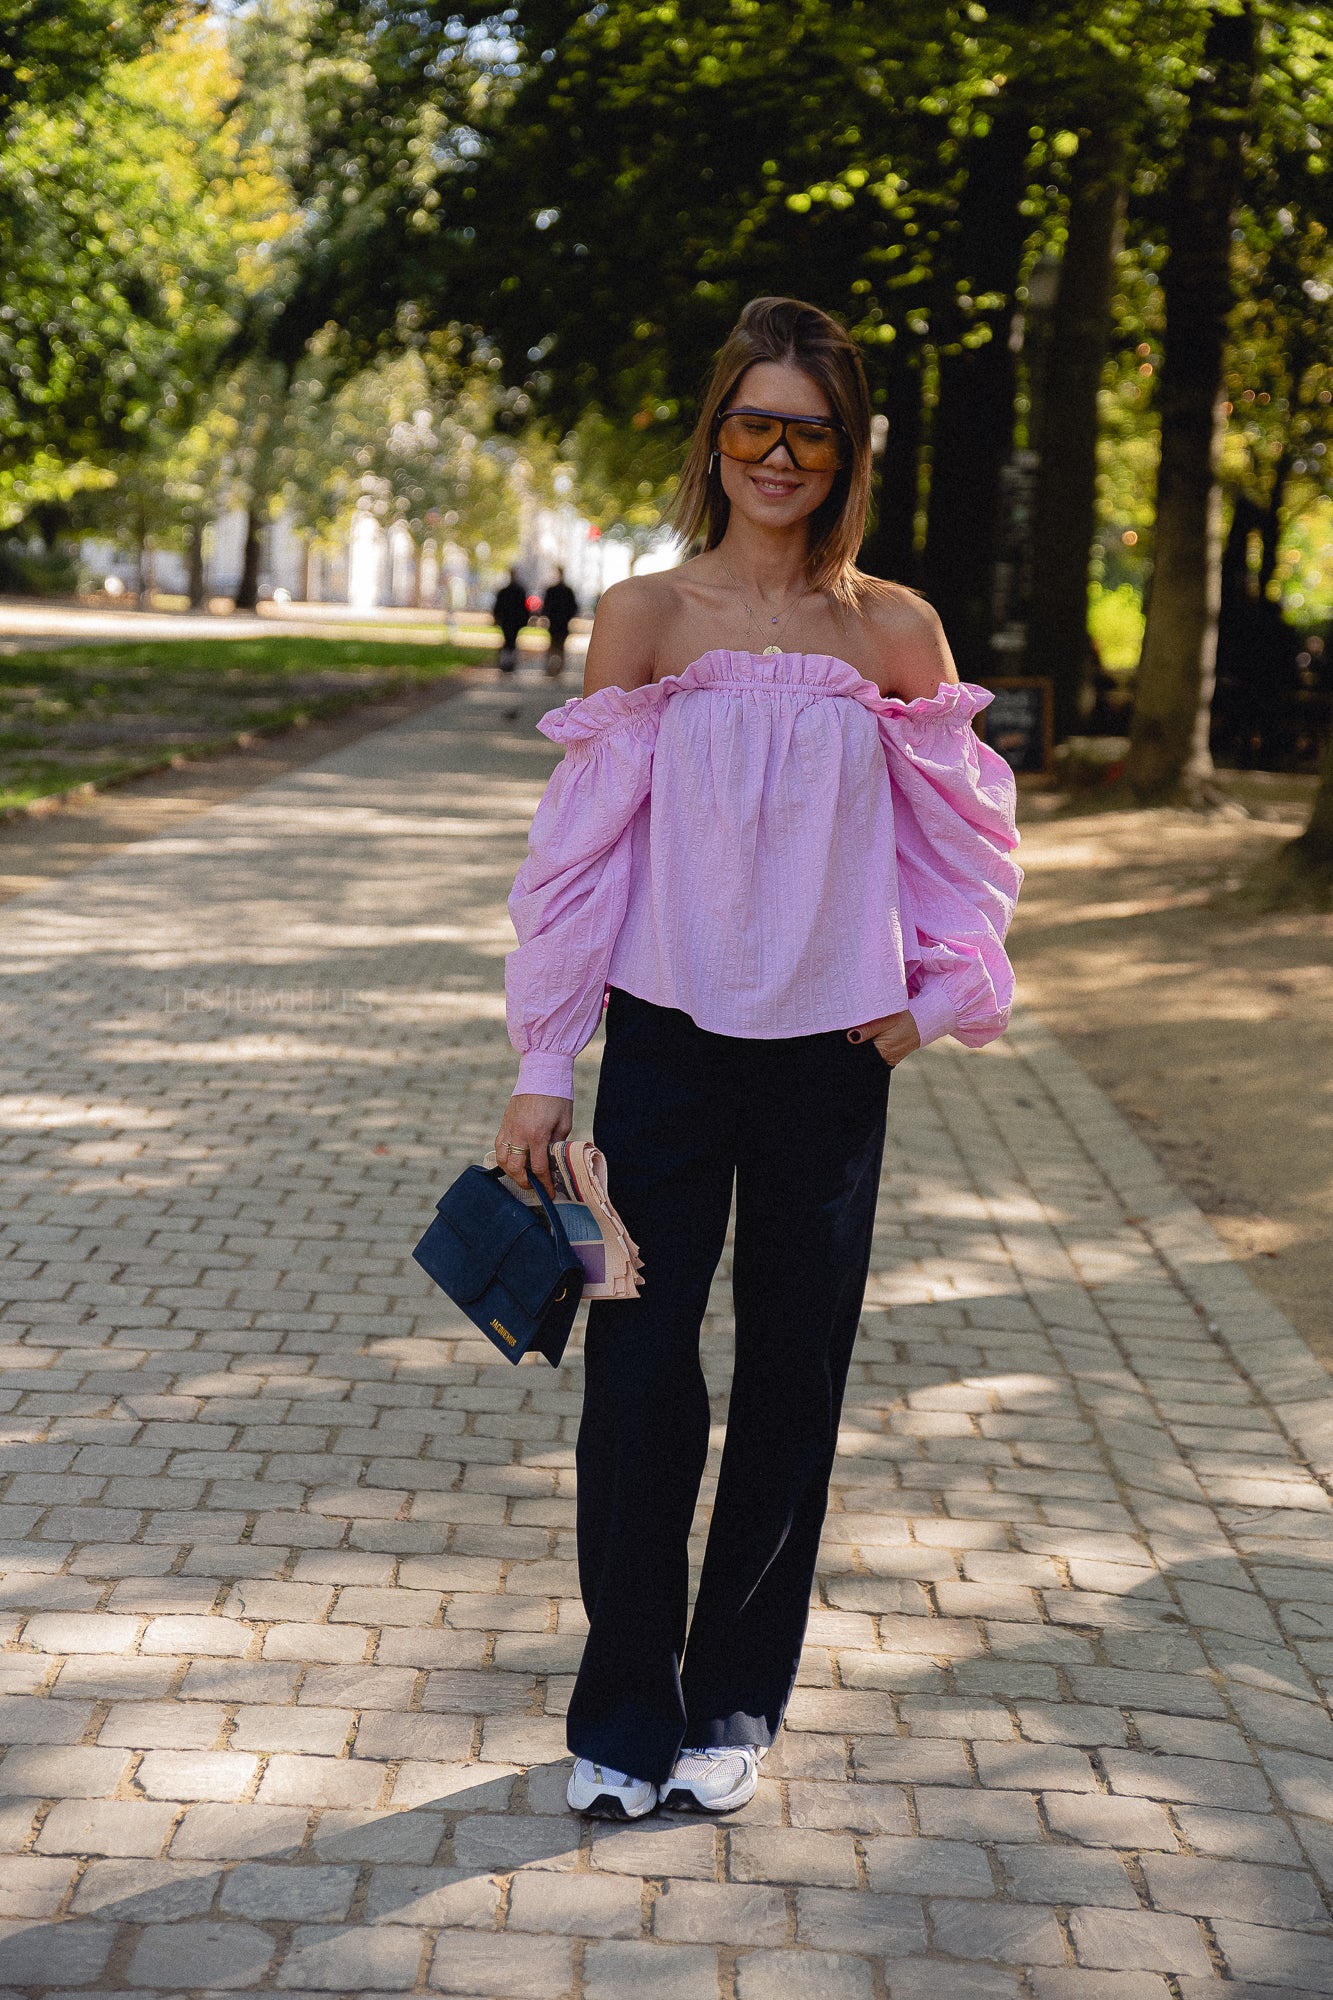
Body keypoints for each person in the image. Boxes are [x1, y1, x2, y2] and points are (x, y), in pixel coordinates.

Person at [495, 296, 1022, 1822]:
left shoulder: (894, 633)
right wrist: (546, 1059)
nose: (778, 456)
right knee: (642, 1376)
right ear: (714, 437)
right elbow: (579, 857)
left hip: (826, 1068)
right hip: (664, 1050)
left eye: (811, 430)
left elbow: (965, 845)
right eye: (753, 425)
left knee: (794, 1377)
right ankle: (622, 1709)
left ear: (847, 452)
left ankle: (734, 1697)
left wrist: (940, 996)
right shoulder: (647, 619)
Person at [541, 568, 580, 677]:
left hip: (555, 621)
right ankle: (558, 668)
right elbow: (573, 607)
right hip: (562, 621)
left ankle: (551, 668)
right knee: (559, 646)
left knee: (553, 645)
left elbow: (546, 607)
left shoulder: (552, 590)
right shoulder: (567, 591)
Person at [492, 570, 528, 672]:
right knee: (511, 641)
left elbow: (498, 607)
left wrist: (497, 618)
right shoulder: (519, 591)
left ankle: (506, 662)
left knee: (507, 640)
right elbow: (524, 609)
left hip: (507, 620)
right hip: (514, 620)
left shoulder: (505, 592)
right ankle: (509, 662)